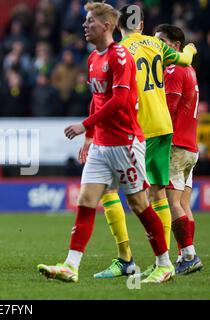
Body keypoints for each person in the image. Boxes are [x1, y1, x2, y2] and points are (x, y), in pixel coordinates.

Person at [37, 2, 174, 284]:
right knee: (86, 200)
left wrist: (84, 125)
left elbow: (121, 100)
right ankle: (71, 265)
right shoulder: (92, 59)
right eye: (85, 21)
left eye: (90, 22)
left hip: (125, 143)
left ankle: (164, 263)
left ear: (108, 26)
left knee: (139, 205)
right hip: (101, 145)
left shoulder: (120, 56)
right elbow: (97, 99)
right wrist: (89, 137)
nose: (85, 25)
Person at [93, 4, 197, 279]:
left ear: (117, 26)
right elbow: (184, 60)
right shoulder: (156, 44)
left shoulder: (119, 51)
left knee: (108, 187)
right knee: (158, 194)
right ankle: (163, 263)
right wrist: (192, 49)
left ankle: (128, 258)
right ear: (141, 25)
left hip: (140, 128)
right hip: (164, 126)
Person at [154, 24, 203, 275]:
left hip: (176, 146)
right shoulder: (190, 70)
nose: (156, 45)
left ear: (175, 45)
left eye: (160, 40)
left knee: (170, 203)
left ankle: (189, 255)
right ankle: (186, 254)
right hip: (190, 146)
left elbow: (169, 110)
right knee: (184, 204)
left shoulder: (173, 69)